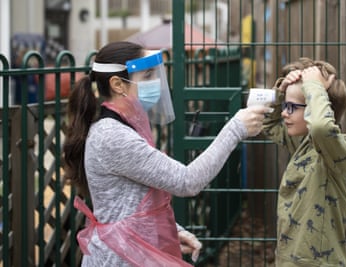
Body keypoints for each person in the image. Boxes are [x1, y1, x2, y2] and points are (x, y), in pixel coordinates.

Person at [63, 41, 270, 267]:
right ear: (118, 84)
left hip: (130, 251)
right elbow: (186, 181)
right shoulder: (113, 136)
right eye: (148, 75)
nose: (156, 82)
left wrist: (172, 230)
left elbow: (130, 202)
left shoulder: (123, 127)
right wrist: (235, 128)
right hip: (119, 257)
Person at [262, 58, 346, 266]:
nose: (284, 112)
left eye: (292, 107)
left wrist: (314, 86)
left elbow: (321, 127)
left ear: (314, 107)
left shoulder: (342, 150)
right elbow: (267, 123)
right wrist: (281, 91)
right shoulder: (303, 143)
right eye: (284, 105)